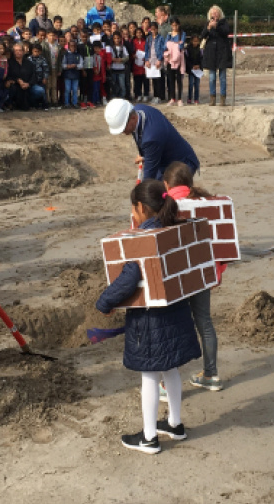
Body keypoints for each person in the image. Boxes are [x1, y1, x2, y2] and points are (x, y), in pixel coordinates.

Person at [96, 180, 200, 454]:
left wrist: (105, 301)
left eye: (134, 208)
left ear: (141, 208)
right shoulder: (173, 228)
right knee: (171, 369)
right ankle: (175, 424)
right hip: (176, 313)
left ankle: (149, 437)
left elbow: (129, 278)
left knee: (150, 376)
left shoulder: (142, 239)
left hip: (150, 323)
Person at [163, 162, 224, 390]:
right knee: (205, 323)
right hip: (202, 274)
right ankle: (211, 374)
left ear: (166, 184)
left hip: (176, 276)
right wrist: (217, 272)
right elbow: (217, 241)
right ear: (190, 183)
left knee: (173, 325)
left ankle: (168, 384)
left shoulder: (166, 206)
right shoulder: (207, 204)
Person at [104, 98, 199, 180]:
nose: (122, 132)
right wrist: (145, 155)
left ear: (133, 118)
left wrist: (141, 196)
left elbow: (149, 177)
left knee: (164, 197)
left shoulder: (151, 137)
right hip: (163, 161)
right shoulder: (139, 110)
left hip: (181, 166)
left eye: (123, 127)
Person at [201, 5, 232, 107]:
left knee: (222, 77)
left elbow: (226, 32)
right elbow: (203, 36)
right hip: (211, 54)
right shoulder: (208, 23)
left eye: (216, 12)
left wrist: (216, 26)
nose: (215, 14)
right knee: (212, 77)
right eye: (213, 13)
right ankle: (212, 98)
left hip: (222, 53)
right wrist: (209, 28)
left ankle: (223, 98)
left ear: (220, 13)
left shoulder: (224, 23)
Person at [165, 19, 185, 106]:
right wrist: (174, 45)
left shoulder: (182, 34)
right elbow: (166, 45)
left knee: (179, 79)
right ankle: (172, 98)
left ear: (179, 25)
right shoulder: (169, 35)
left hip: (178, 59)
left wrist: (172, 45)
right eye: (173, 25)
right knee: (171, 79)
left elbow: (181, 45)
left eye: (176, 25)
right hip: (170, 59)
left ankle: (180, 98)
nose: (174, 27)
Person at [61, 32, 81, 109]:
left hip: (76, 75)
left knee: (75, 90)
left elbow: (81, 64)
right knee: (67, 90)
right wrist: (68, 66)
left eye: (74, 46)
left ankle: (75, 103)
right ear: (68, 46)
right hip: (67, 75)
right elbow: (63, 65)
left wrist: (76, 66)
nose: (73, 47)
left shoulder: (78, 55)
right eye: (71, 46)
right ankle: (67, 103)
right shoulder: (66, 55)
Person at [185, 34, 202, 106]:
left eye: (197, 41)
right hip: (191, 70)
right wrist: (191, 66)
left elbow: (202, 59)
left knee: (197, 85)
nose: (195, 43)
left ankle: (196, 99)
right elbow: (187, 59)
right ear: (191, 41)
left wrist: (199, 66)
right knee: (191, 84)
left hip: (198, 70)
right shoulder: (188, 49)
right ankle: (189, 98)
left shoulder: (200, 50)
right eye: (194, 41)